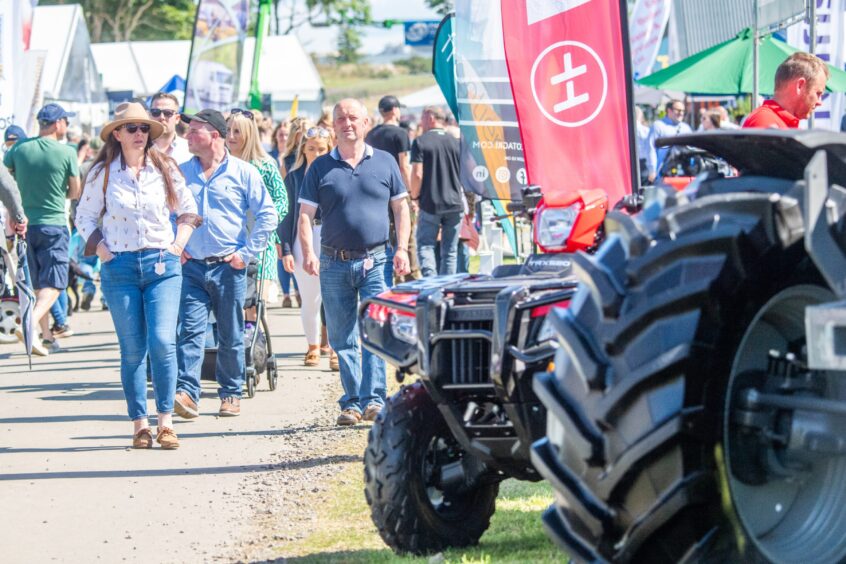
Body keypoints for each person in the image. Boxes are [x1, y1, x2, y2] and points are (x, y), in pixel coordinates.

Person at [75, 102, 201, 449]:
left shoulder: (164, 167)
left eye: (144, 128)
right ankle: (139, 424)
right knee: (133, 350)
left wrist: (178, 244)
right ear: (117, 133)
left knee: (162, 341)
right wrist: (102, 249)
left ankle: (166, 422)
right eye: (131, 128)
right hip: (121, 267)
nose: (139, 134)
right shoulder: (103, 172)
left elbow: (189, 209)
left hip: (163, 263)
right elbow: (84, 217)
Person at [298, 98, 410, 425]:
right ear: (333, 126)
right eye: (341, 119)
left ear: (365, 124)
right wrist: (309, 252)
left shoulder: (385, 162)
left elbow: (401, 208)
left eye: (353, 118)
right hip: (334, 263)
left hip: (375, 260)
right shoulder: (320, 167)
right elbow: (305, 215)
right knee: (342, 336)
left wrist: (401, 248)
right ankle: (352, 402)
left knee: (374, 331)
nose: (347, 123)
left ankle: (374, 400)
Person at [173, 109, 278, 419]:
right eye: (187, 131)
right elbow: (166, 212)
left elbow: (267, 214)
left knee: (230, 334)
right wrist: (175, 244)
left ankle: (230, 393)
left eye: (194, 131)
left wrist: (246, 254)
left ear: (215, 136)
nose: (187, 136)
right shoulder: (180, 173)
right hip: (191, 266)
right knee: (190, 332)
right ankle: (188, 394)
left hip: (228, 266)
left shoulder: (243, 172)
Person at [3, 103, 81, 356]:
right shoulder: (66, 152)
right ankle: (31, 321)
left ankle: (44, 337)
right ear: (58, 124)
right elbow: (75, 191)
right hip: (54, 223)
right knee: (56, 284)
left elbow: (6, 178)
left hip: (25, 223)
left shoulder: (19, 149)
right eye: (65, 122)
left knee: (38, 284)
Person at [225, 109, 289, 339]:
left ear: (249, 134)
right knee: (233, 302)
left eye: (237, 132)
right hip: (229, 243)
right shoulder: (221, 164)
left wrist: (264, 224)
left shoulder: (265, 165)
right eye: (228, 131)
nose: (231, 136)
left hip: (261, 246)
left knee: (253, 303)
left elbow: (282, 202)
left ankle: (253, 348)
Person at [279, 123, 332, 367]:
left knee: (334, 296)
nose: (317, 153)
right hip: (303, 236)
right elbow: (287, 214)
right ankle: (312, 345)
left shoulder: (336, 173)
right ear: (304, 150)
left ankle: (331, 344)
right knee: (310, 298)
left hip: (332, 236)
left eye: (322, 149)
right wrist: (286, 248)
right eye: (312, 148)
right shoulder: (294, 176)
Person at [366, 94, 421, 283]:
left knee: (385, 236)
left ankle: (390, 277)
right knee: (407, 235)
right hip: (397, 191)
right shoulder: (401, 134)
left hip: (377, 191)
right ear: (395, 110)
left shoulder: (371, 134)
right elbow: (404, 166)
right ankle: (410, 278)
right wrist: (411, 195)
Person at [410, 105, 464, 277]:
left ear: (431, 118)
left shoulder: (420, 142)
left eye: (422, 118)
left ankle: (430, 285)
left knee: (425, 246)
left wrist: (414, 196)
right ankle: (448, 288)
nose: (420, 122)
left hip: (430, 202)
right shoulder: (455, 142)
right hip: (455, 202)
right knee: (450, 251)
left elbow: (417, 174)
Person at [743, 52, 829, 130]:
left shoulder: (773, 121)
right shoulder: (765, 122)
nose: (819, 102)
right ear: (800, 85)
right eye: (818, 93)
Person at [646, 100, 692, 183]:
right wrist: (652, 170)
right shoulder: (658, 126)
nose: (681, 113)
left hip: (684, 173)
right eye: (678, 110)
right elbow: (651, 148)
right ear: (669, 110)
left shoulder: (686, 128)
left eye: (683, 111)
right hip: (662, 174)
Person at [149, 92, 192, 164]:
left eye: (168, 113)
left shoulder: (189, 149)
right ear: (150, 116)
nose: (162, 117)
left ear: (177, 118)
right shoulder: (139, 147)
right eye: (156, 112)